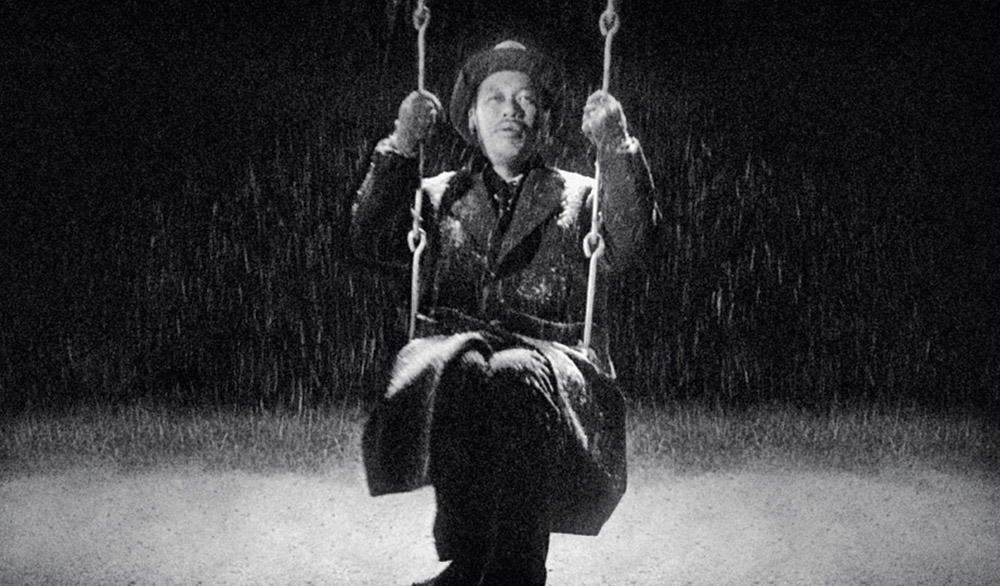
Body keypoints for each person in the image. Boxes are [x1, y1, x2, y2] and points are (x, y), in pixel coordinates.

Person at [351, 39, 658, 586]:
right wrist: (401, 145)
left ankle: (517, 568)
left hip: (553, 364)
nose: (511, 110)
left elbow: (633, 239)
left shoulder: (580, 198)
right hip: (456, 353)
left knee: (513, 371)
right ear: (471, 118)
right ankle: (470, 561)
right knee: (465, 367)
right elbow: (369, 240)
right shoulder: (437, 196)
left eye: (525, 99)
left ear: (545, 118)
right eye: (495, 97)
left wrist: (614, 145)